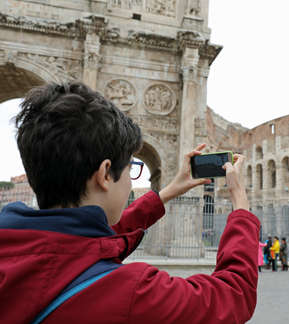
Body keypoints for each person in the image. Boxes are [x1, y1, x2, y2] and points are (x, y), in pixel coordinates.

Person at [0, 82, 261, 323]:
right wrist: (241, 207)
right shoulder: (132, 293)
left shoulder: (12, 245)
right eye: (131, 168)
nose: (130, 180)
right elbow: (233, 294)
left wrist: (167, 192)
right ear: (105, 174)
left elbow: (90, 245)